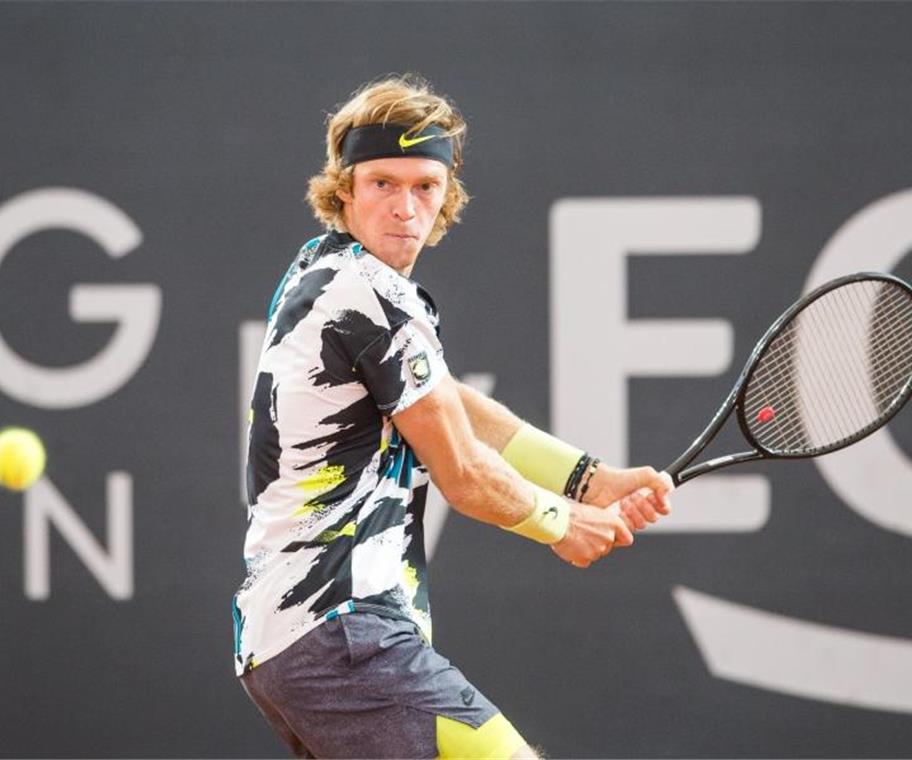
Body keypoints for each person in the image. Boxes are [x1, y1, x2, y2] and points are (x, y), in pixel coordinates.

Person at [233, 74, 674, 759]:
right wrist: (562, 523)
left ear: (445, 200)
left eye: (425, 187)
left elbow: (455, 408)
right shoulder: (374, 295)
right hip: (343, 633)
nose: (405, 207)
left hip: (295, 641)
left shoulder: (318, 269)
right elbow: (464, 472)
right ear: (344, 187)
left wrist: (588, 481)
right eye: (383, 183)